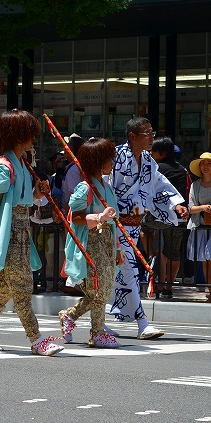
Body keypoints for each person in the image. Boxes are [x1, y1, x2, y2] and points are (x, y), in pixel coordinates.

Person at [0, 109, 63, 356]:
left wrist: (38, 195)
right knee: (21, 286)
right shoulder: (4, 166)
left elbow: (23, 201)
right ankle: (36, 339)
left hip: (21, 232)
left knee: (4, 290)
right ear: (16, 136)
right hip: (5, 234)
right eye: (28, 135)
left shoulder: (20, 163)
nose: (33, 140)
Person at [106, 117, 188, 339]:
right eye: (147, 134)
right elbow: (101, 182)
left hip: (133, 227)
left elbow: (159, 184)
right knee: (130, 272)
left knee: (112, 275)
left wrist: (176, 203)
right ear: (132, 136)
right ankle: (142, 324)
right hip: (113, 225)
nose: (152, 137)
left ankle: (79, 317)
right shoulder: (115, 155)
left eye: (153, 133)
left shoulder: (149, 162)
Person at [59, 138, 124, 348]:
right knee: (99, 290)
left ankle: (71, 315)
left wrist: (118, 248)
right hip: (91, 242)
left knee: (102, 290)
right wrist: (98, 218)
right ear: (98, 162)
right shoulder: (84, 188)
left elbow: (113, 221)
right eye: (108, 159)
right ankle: (97, 333)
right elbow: (74, 217)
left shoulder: (107, 187)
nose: (112, 162)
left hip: (106, 242)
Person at [149, 136, 189, 299]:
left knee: (142, 228)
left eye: (153, 151)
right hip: (179, 217)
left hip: (158, 217)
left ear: (162, 153)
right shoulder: (183, 170)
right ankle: (169, 287)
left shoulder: (156, 169)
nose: (150, 153)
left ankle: (152, 254)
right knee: (174, 253)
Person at [186, 152, 211, 302]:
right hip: (201, 227)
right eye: (203, 163)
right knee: (205, 261)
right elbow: (190, 208)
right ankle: (210, 289)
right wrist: (203, 208)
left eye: (209, 163)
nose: (206, 166)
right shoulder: (195, 185)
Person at [61, 133, 86, 213]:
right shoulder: (73, 167)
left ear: (72, 151)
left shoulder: (73, 170)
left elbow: (76, 196)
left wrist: (64, 211)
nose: (64, 148)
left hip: (72, 214)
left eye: (67, 146)